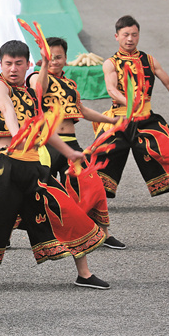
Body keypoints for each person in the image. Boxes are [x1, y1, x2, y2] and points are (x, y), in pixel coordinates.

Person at [0, 40, 109, 294]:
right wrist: (18, 133)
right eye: (8, 63)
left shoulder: (30, 95)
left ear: (28, 65)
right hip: (4, 168)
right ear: (1, 64)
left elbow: (44, 129)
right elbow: (7, 108)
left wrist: (70, 151)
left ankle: (84, 274)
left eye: (19, 63)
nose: (13, 69)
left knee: (68, 211)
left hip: (33, 169)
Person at [27, 37, 125, 249]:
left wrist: (110, 120)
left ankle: (102, 234)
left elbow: (82, 110)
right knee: (31, 189)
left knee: (93, 185)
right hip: (45, 144)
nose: (54, 61)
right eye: (50, 57)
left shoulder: (70, 84)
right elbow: (40, 91)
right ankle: (5, 233)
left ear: (65, 59)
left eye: (59, 57)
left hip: (71, 145)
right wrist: (44, 64)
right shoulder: (36, 77)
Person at [95, 15, 169, 212]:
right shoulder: (111, 63)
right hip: (119, 119)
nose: (130, 39)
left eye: (134, 34)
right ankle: (95, 203)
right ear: (116, 36)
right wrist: (130, 103)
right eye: (125, 35)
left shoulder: (148, 60)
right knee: (98, 159)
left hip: (146, 119)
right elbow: (111, 89)